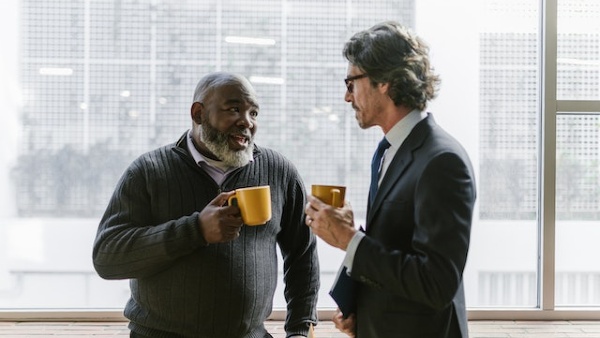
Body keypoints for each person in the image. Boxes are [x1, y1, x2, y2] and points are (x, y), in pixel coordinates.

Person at [93, 71, 319, 338]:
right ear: (198, 114)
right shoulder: (149, 171)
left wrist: (300, 330)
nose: (247, 122)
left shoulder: (278, 171)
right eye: (234, 109)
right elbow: (107, 257)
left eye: (254, 113)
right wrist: (196, 230)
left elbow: (302, 254)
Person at [304, 21, 476, 338]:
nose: (346, 96)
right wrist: (360, 305)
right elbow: (394, 249)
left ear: (384, 81)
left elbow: (436, 283)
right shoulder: (388, 151)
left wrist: (348, 240)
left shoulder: (442, 162)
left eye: (351, 82)